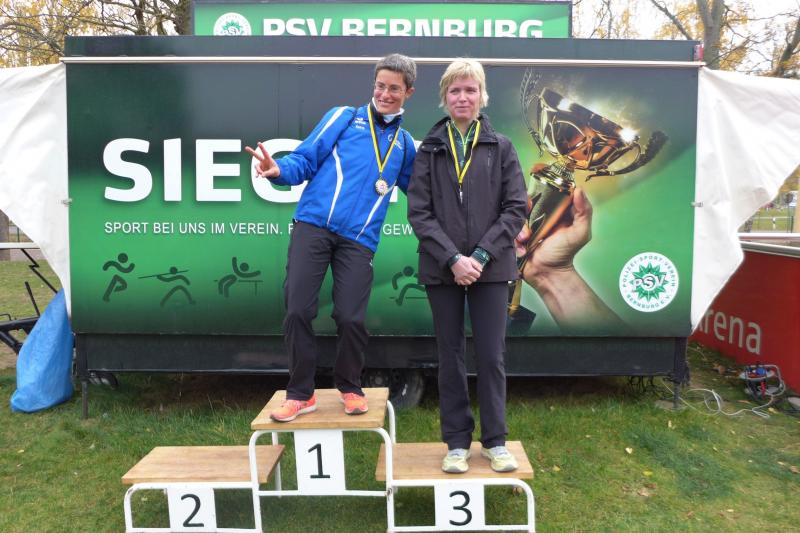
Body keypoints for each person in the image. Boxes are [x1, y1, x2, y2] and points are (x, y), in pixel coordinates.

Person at [245, 54, 417, 422]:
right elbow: (305, 160)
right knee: (297, 309)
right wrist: (278, 169)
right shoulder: (344, 118)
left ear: (408, 92)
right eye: (380, 85)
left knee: (351, 317)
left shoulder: (404, 145)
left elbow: (424, 194)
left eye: (394, 88)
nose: (385, 94)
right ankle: (300, 393)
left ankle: (350, 386)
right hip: (314, 226)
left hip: (359, 240)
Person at [407, 59, 527, 473]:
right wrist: (453, 259)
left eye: (470, 90)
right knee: (450, 355)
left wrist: (479, 256)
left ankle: (495, 442)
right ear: (445, 97)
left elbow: (515, 209)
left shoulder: (502, 146)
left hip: (490, 269)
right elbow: (419, 213)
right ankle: (456, 443)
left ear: (482, 96)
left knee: (492, 356)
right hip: (442, 269)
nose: (463, 97)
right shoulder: (429, 149)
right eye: (455, 90)